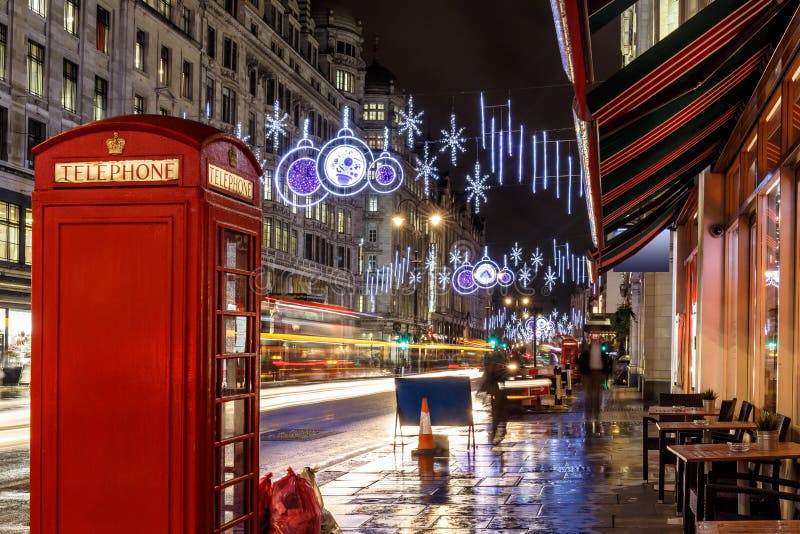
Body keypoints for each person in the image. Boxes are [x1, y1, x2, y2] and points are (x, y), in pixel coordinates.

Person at [577, 338, 612, 427]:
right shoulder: (586, 353)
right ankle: (588, 414)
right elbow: (579, 362)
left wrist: (606, 371)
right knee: (588, 395)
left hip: (598, 373)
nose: (596, 342)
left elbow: (607, 361)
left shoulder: (602, 353)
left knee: (597, 395)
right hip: (587, 374)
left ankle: (596, 414)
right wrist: (582, 371)